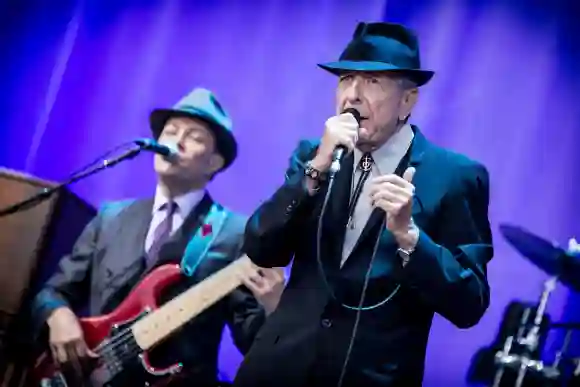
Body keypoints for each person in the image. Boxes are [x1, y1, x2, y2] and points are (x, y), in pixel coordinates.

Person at [233, 22, 493, 387]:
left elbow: (470, 303)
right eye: (345, 79)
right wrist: (315, 170)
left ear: (408, 100)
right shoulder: (312, 155)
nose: (352, 95)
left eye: (373, 82)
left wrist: (410, 239)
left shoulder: (455, 176)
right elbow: (261, 247)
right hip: (277, 369)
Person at [30, 88, 286, 387]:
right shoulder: (111, 217)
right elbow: (52, 292)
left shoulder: (236, 233)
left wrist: (275, 308)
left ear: (215, 162)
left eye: (194, 136)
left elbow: (252, 341)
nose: (175, 141)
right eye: (170, 131)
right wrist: (57, 315)